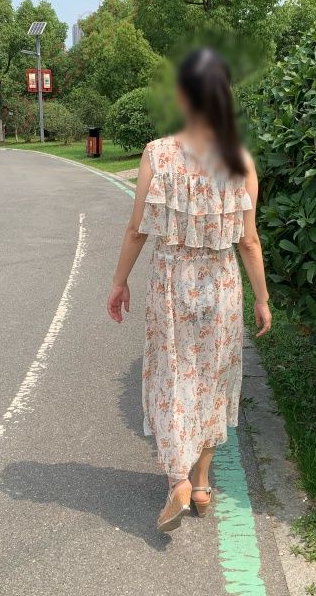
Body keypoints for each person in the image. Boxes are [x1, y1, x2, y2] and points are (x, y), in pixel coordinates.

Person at [107, 47, 272, 533]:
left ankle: (178, 480)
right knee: (212, 380)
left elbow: (136, 229)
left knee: (173, 376)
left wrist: (119, 281)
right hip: (222, 285)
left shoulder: (157, 154)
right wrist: (262, 298)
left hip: (170, 283)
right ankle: (200, 486)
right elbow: (249, 241)